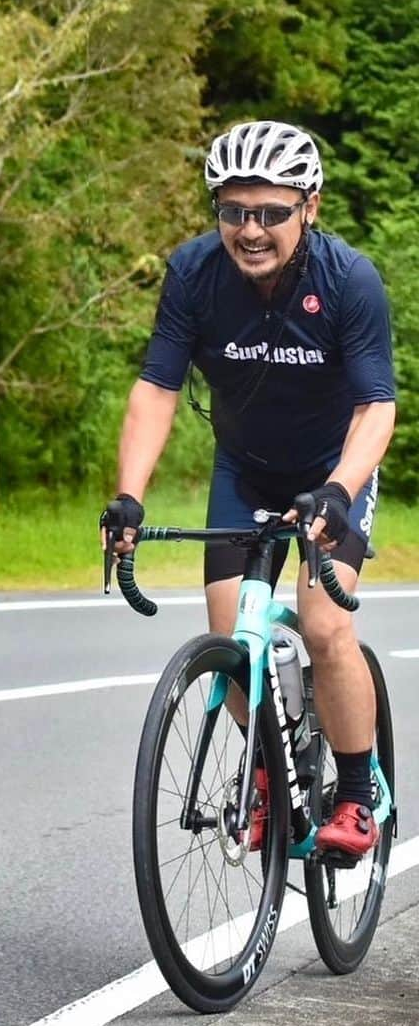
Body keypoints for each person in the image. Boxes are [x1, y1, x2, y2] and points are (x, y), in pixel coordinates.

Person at [101, 120, 395, 858]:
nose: (251, 229)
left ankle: (360, 793)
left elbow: (375, 408)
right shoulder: (194, 274)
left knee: (326, 625)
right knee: (236, 637)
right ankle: (270, 769)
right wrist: (130, 496)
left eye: (270, 211)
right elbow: (157, 389)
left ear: (311, 206)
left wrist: (336, 488)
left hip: (334, 469)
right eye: (234, 211)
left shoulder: (349, 281)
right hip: (245, 468)